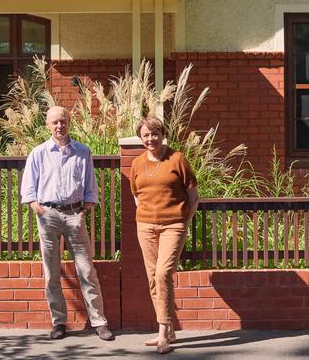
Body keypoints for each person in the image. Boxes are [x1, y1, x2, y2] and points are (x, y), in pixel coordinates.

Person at [20, 105, 114, 341]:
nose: (59, 126)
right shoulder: (38, 153)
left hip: (75, 215)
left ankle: (99, 322)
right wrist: (36, 208)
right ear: (47, 124)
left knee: (86, 270)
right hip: (48, 215)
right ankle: (59, 322)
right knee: (51, 273)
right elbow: (28, 188)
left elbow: (90, 187)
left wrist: (84, 210)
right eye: (55, 122)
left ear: (69, 122)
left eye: (63, 121)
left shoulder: (83, 151)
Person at [129, 117, 200, 354]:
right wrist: (148, 213)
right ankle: (169, 329)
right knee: (152, 276)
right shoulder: (137, 163)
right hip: (146, 225)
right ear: (141, 138)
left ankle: (162, 333)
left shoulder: (177, 159)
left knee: (163, 273)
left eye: (155, 134)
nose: (151, 139)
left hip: (174, 225)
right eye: (146, 135)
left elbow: (193, 195)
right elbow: (137, 195)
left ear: (162, 134)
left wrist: (183, 219)